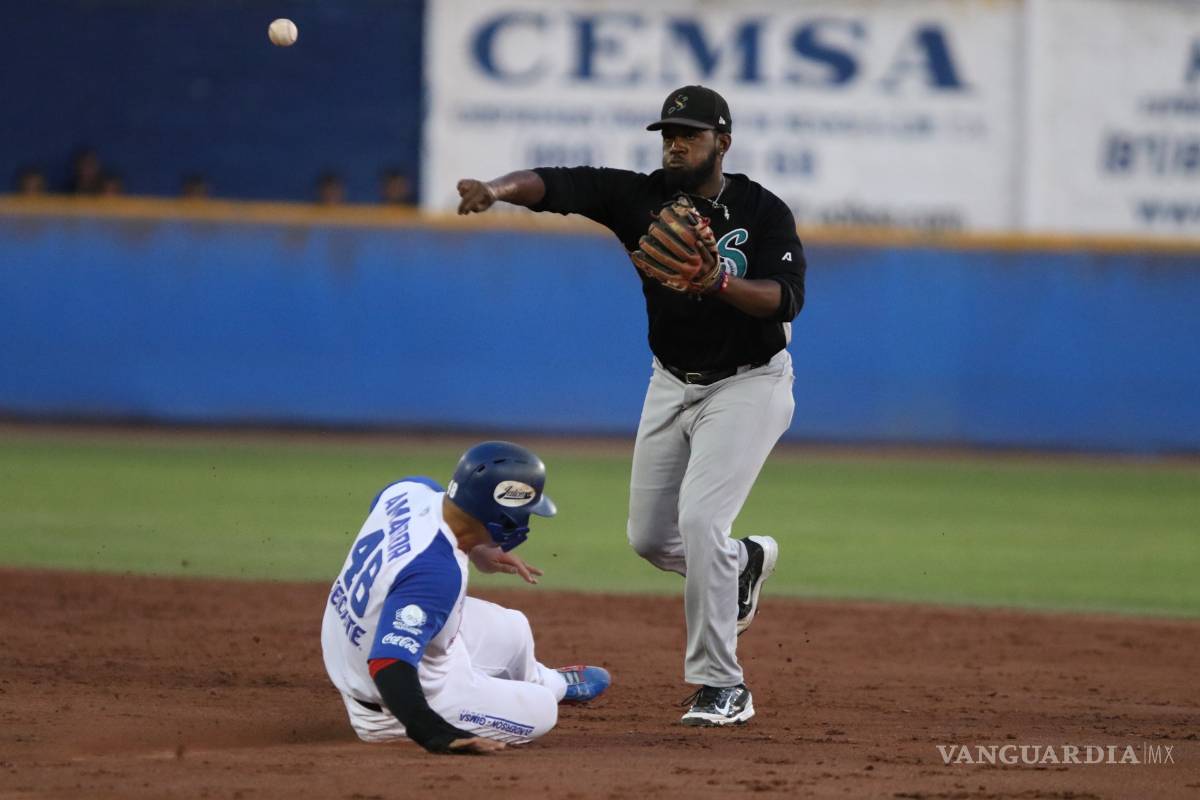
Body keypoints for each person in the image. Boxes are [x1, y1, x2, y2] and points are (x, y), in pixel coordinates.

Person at [456, 85, 804, 727]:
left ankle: (722, 686)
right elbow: (559, 183)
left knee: (701, 523)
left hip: (750, 383)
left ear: (721, 143)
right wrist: (498, 190)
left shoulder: (762, 210)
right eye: (668, 134)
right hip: (671, 380)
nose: (675, 144)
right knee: (649, 538)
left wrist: (718, 282)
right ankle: (743, 564)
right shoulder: (639, 197)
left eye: (689, 135)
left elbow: (786, 300)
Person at [321, 441, 611, 754]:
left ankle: (549, 682)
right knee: (543, 710)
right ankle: (535, 693)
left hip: (374, 641)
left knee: (515, 627)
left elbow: (385, 511)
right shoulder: (435, 572)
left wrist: (478, 548)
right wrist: (433, 732)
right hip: (393, 707)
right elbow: (389, 662)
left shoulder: (411, 490)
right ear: (501, 514)